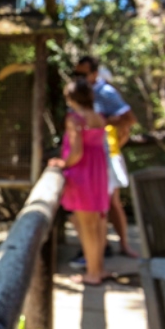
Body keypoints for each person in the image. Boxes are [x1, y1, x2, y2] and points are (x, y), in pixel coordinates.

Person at [68, 56, 138, 270]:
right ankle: (101, 250)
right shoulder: (82, 95)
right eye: (76, 74)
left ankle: (114, 248)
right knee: (101, 204)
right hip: (94, 157)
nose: (79, 78)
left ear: (94, 74)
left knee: (106, 204)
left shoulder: (105, 92)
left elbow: (128, 119)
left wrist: (105, 129)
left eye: (83, 74)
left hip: (104, 156)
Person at [50, 77, 110, 285]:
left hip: (82, 175)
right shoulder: (98, 117)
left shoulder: (74, 119)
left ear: (72, 97)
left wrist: (63, 163)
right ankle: (98, 269)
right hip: (98, 174)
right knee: (97, 225)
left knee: (86, 227)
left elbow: (76, 151)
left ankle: (92, 274)